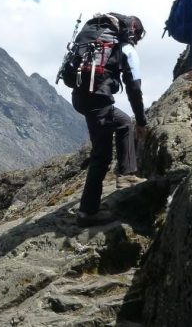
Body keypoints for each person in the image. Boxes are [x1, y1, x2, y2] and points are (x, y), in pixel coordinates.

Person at [72, 15, 148, 227]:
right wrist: (142, 121)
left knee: (123, 121)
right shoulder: (126, 49)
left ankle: (126, 174)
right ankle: (87, 213)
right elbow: (134, 89)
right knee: (101, 155)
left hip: (81, 95)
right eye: (138, 38)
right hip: (97, 99)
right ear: (134, 33)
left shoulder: (95, 39)